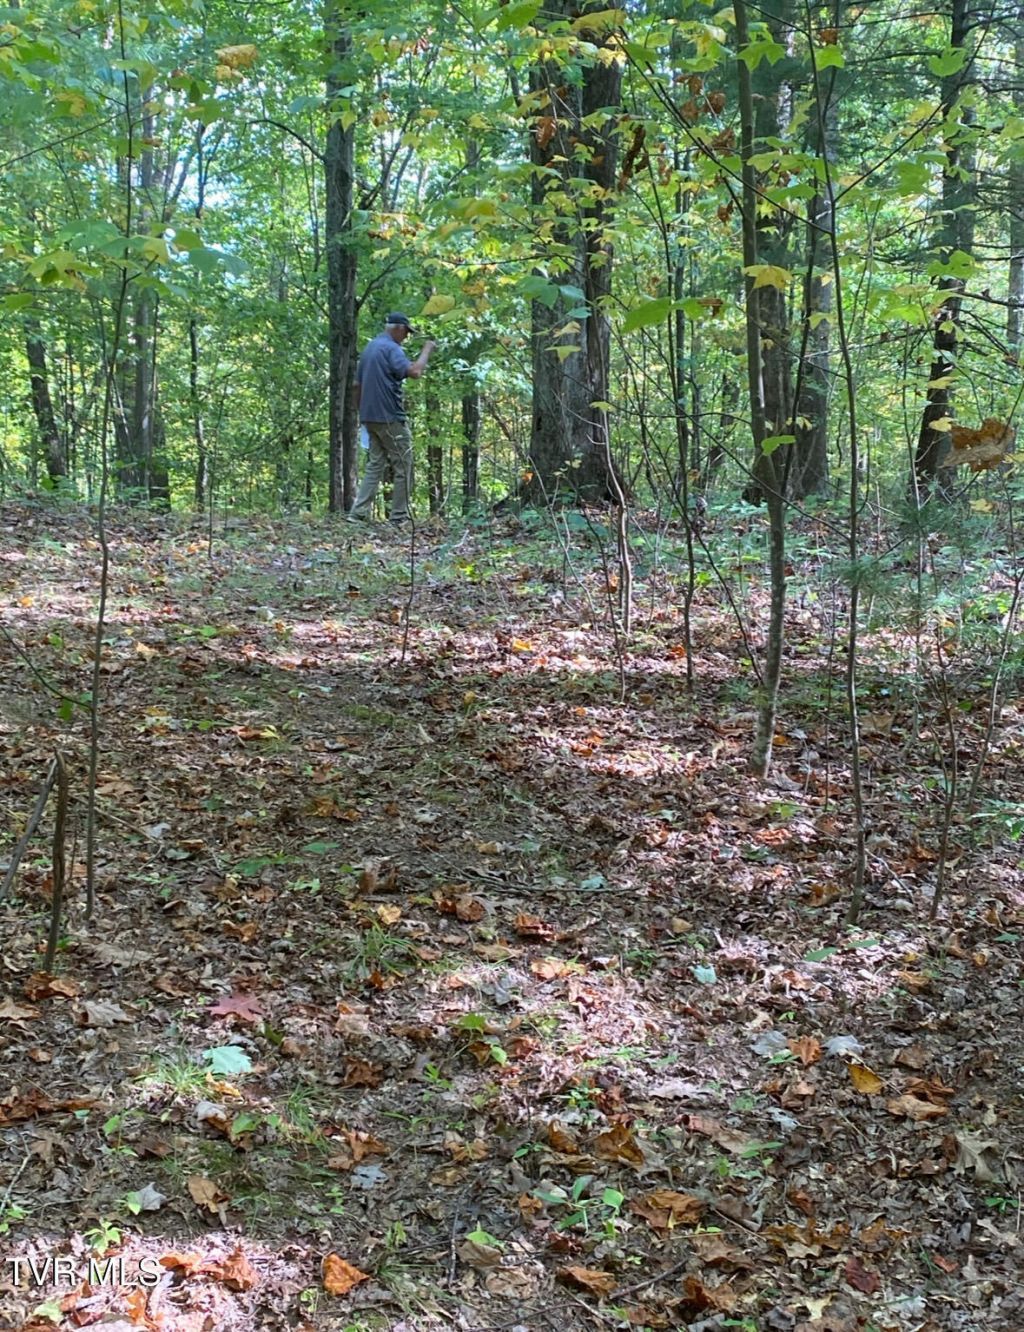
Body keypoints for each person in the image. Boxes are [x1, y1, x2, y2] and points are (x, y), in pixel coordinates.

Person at [346, 313, 435, 525]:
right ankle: (398, 517)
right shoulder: (391, 349)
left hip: (370, 417)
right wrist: (427, 349)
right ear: (398, 328)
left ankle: (358, 514)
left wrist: (362, 414)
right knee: (403, 464)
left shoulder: (369, 348)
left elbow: (356, 386)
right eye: (406, 332)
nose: (406, 337)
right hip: (389, 416)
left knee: (375, 464)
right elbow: (415, 372)